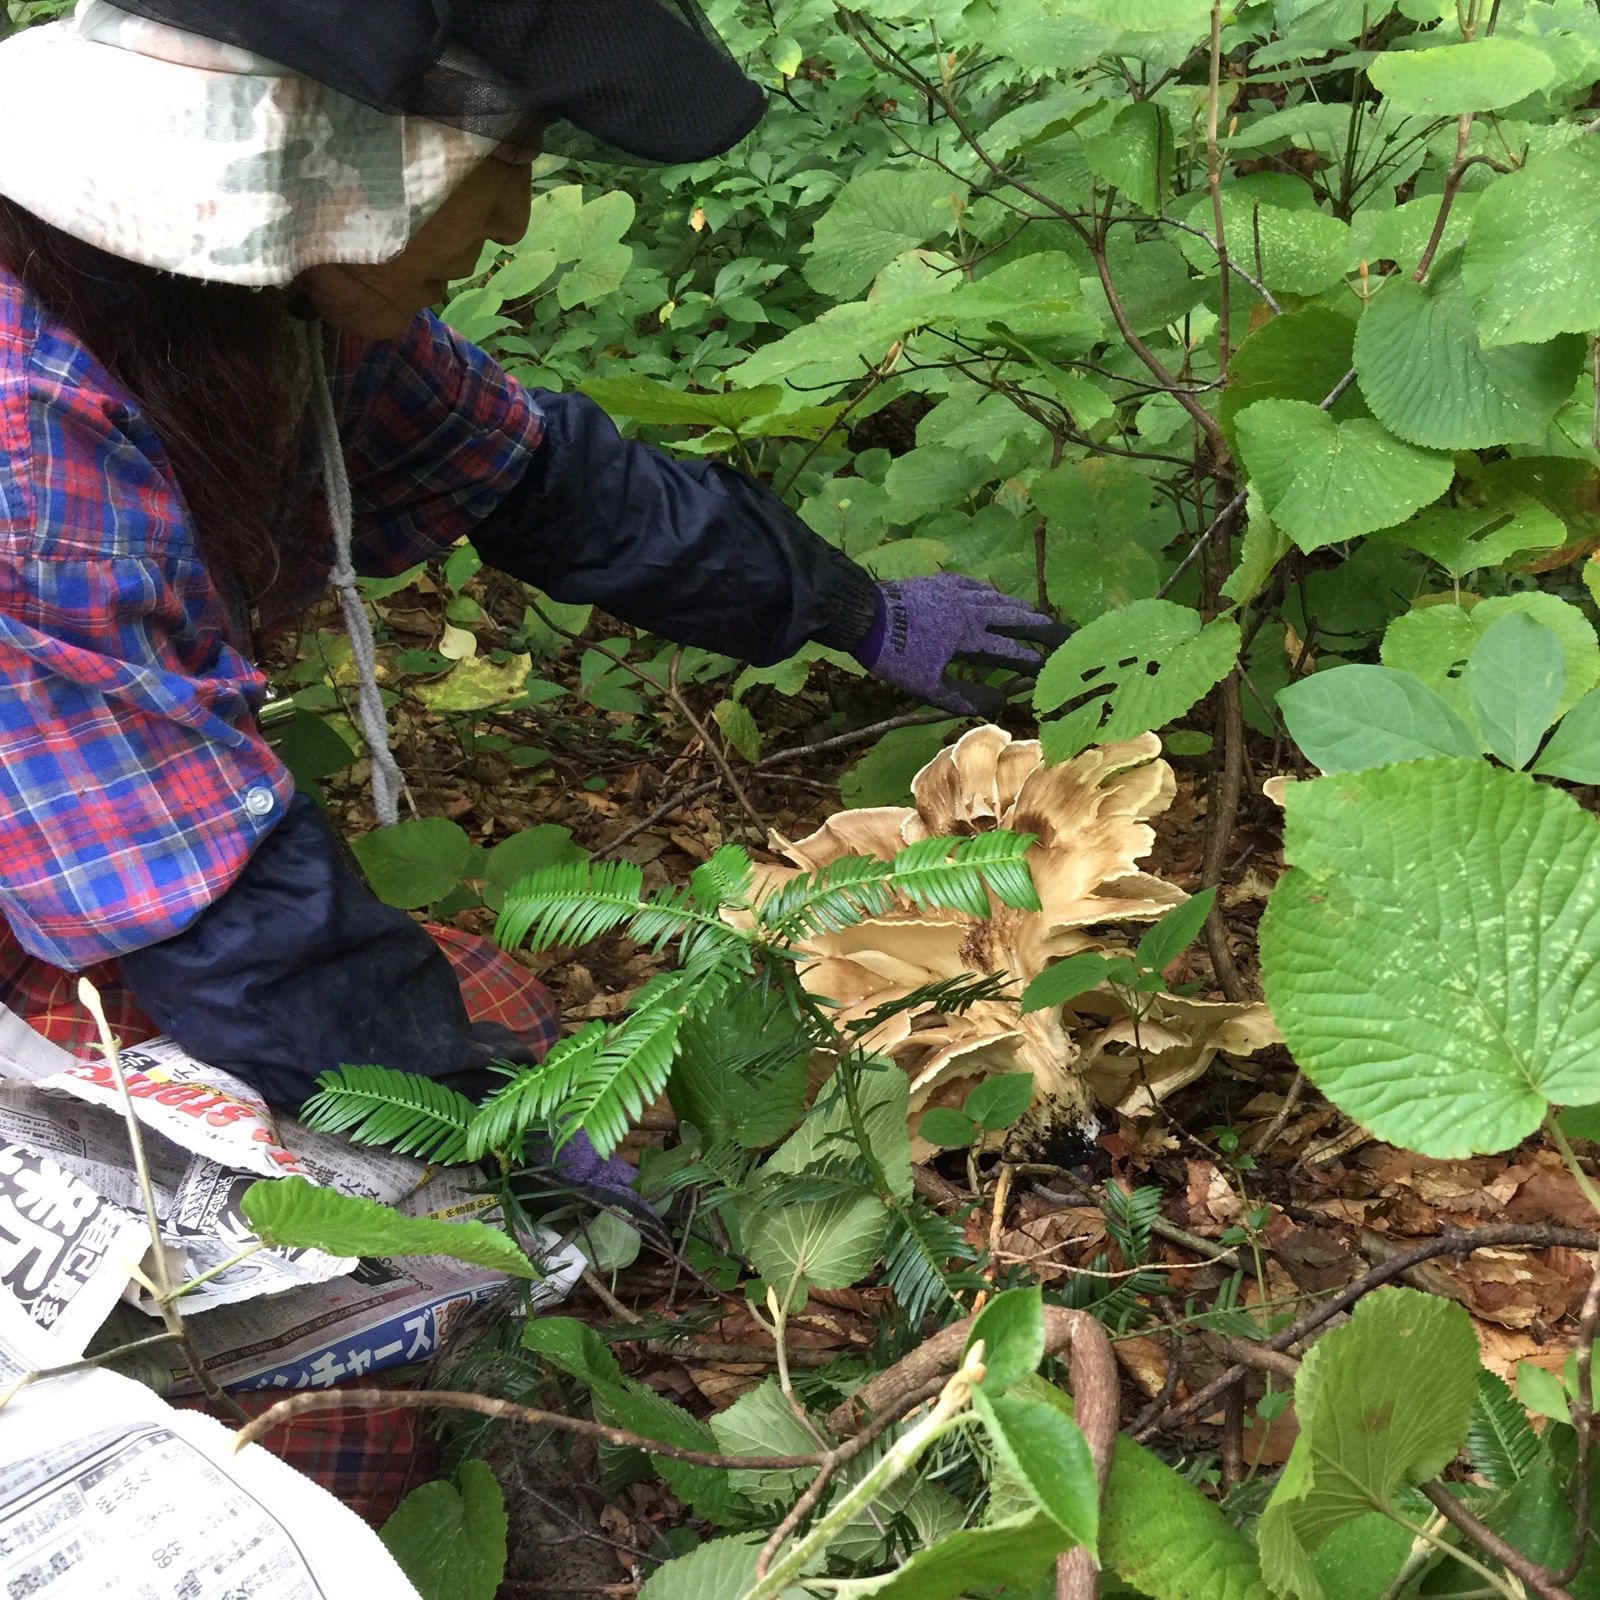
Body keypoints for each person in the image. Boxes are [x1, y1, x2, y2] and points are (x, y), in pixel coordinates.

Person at [0, 0, 1065, 1116]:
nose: (509, 223)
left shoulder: (260, 308)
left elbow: (543, 481)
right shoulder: (27, 435)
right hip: (75, 862)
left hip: (90, 840)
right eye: (498, 164)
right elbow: (208, 910)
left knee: (491, 1006)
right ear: (322, 158)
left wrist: (854, 608)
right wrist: (485, 1138)